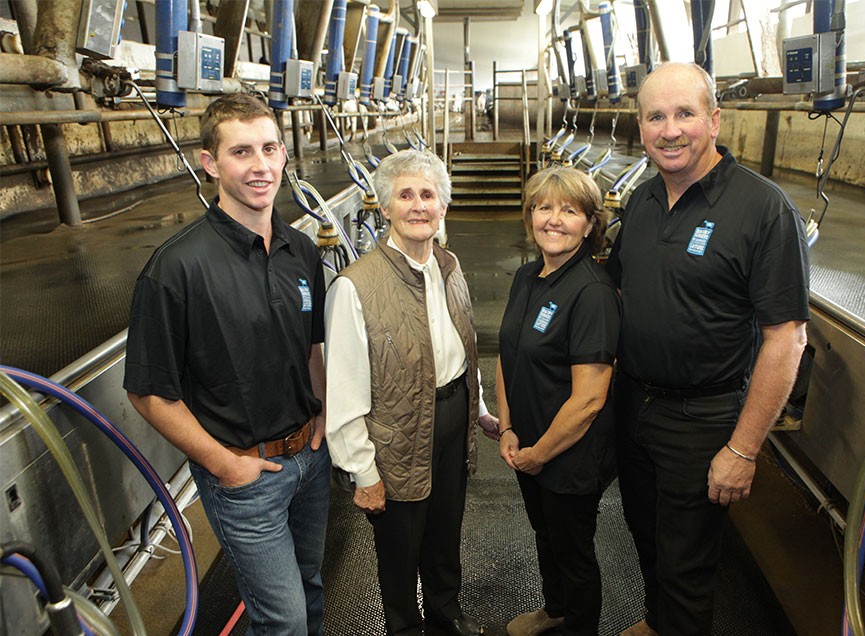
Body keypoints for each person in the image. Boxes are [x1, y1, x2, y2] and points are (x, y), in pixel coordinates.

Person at [606, 62, 810, 636]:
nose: (670, 130)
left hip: (703, 417)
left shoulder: (763, 210)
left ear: (714, 120)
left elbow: (785, 338)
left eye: (684, 114)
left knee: (688, 562)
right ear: (640, 127)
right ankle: (657, 622)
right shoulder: (642, 203)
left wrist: (743, 450)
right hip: (635, 403)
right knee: (645, 536)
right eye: (656, 117)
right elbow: (618, 290)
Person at [124, 93, 330, 636]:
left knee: (309, 586)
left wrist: (324, 415)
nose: (260, 166)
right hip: (244, 474)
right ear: (210, 162)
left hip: (309, 459)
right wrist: (223, 465)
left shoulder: (301, 252)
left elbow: (312, 347)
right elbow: (148, 392)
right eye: (241, 152)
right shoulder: (176, 268)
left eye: (269, 149)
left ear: (285, 154)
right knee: (281, 619)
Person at [323, 149, 499, 636]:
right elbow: (343, 389)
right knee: (400, 548)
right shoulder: (355, 287)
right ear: (385, 207)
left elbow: (464, 348)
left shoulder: (448, 266)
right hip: (395, 434)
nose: (418, 205)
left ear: (442, 205)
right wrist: (363, 472)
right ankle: (404, 627)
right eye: (405, 195)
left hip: (452, 415)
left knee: (445, 532)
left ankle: (447, 614)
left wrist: (478, 409)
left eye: (428, 194)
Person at [497, 166, 620, 636]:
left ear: (590, 224)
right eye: (543, 208)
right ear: (530, 218)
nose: (554, 219)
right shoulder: (528, 277)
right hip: (527, 445)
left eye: (569, 210)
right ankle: (555, 610)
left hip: (568, 454)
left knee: (574, 550)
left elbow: (590, 400)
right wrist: (508, 429)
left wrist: (538, 454)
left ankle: (579, 626)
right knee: (546, 537)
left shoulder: (591, 291)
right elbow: (509, 354)